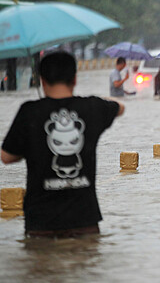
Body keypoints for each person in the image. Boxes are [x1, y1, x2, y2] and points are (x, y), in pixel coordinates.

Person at [1, 51, 125, 238]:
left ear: (41, 80)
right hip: (85, 221)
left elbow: (7, 157)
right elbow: (120, 107)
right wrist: (99, 99)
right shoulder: (92, 108)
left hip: (41, 223)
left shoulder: (29, 111)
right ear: (75, 78)